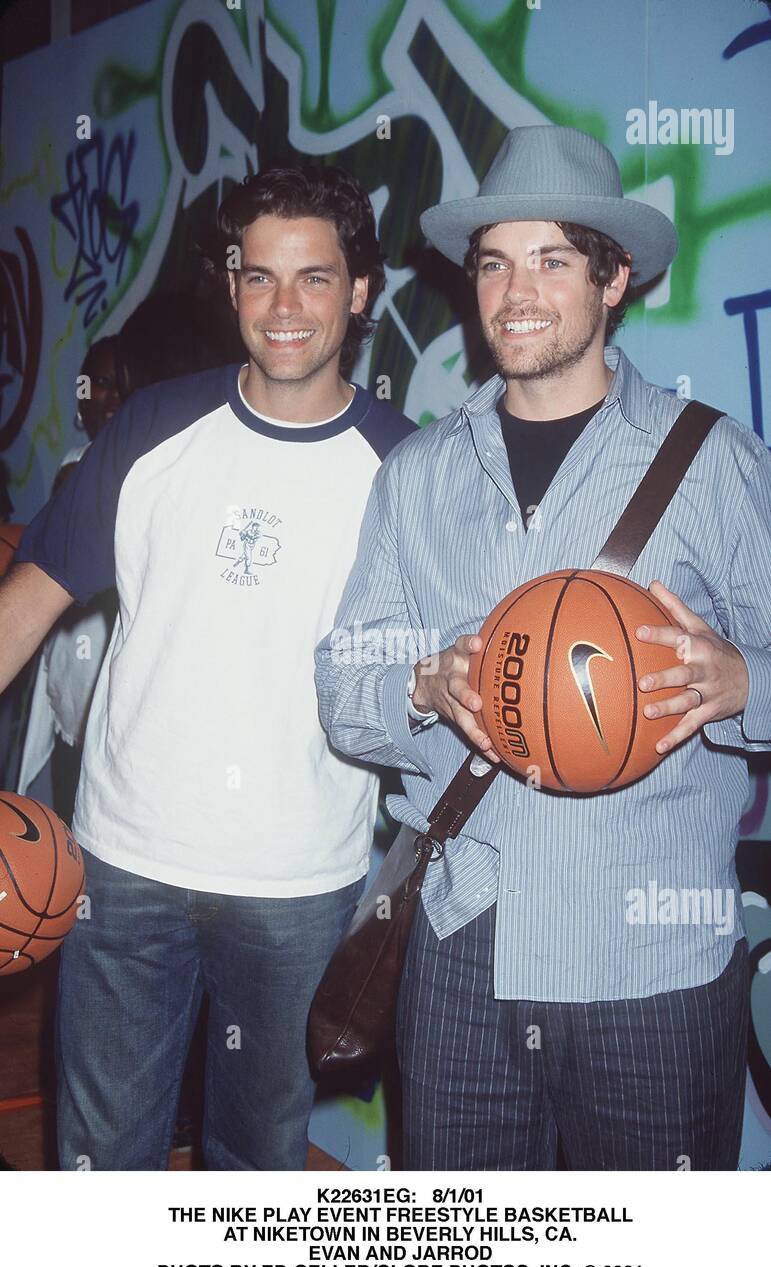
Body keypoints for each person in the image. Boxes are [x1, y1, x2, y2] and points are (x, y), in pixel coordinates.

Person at [315, 125, 771, 1171]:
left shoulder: (716, 464)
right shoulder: (419, 474)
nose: (516, 289)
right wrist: (422, 683)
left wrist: (745, 682)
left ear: (613, 279)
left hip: (648, 959)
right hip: (463, 948)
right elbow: (344, 687)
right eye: (495, 262)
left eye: (553, 260)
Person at [1, 164, 415, 1170]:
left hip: (297, 885)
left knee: (255, 1165)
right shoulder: (151, 431)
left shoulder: (406, 467)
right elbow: (27, 604)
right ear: (231, 285)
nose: (283, 307)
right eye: (258, 275)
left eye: (313, 279)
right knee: (101, 1158)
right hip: (125, 864)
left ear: (359, 292)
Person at [18, 337, 121, 823]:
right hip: (70, 702)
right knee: (62, 836)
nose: (108, 397)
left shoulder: (141, 474)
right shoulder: (74, 464)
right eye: (98, 383)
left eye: (121, 385)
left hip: (111, 714)